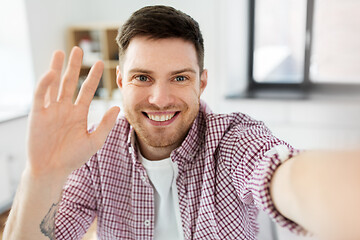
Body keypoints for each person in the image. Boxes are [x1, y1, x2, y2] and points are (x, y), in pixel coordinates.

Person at [3, 5, 360, 240]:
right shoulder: (95, 151)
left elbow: (282, 175)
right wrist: (42, 174)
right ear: (122, 82)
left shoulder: (233, 140)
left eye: (179, 78)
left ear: (202, 82)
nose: (160, 98)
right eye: (143, 77)